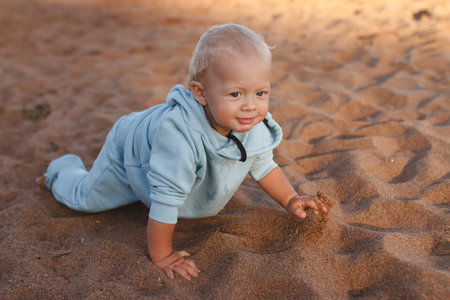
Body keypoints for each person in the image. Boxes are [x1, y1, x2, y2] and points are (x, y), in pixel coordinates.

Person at [36, 24, 328, 281]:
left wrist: (290, 198)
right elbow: (164, 201)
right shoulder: (179, 140)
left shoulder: (251, 123)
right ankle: (61, 172)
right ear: (200, 93)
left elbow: (263, 164)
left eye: (260, 93)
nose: (251, 106)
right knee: (87, 199)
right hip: (131, 154)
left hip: (164, 158)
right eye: (236, 94)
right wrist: (162, 256)